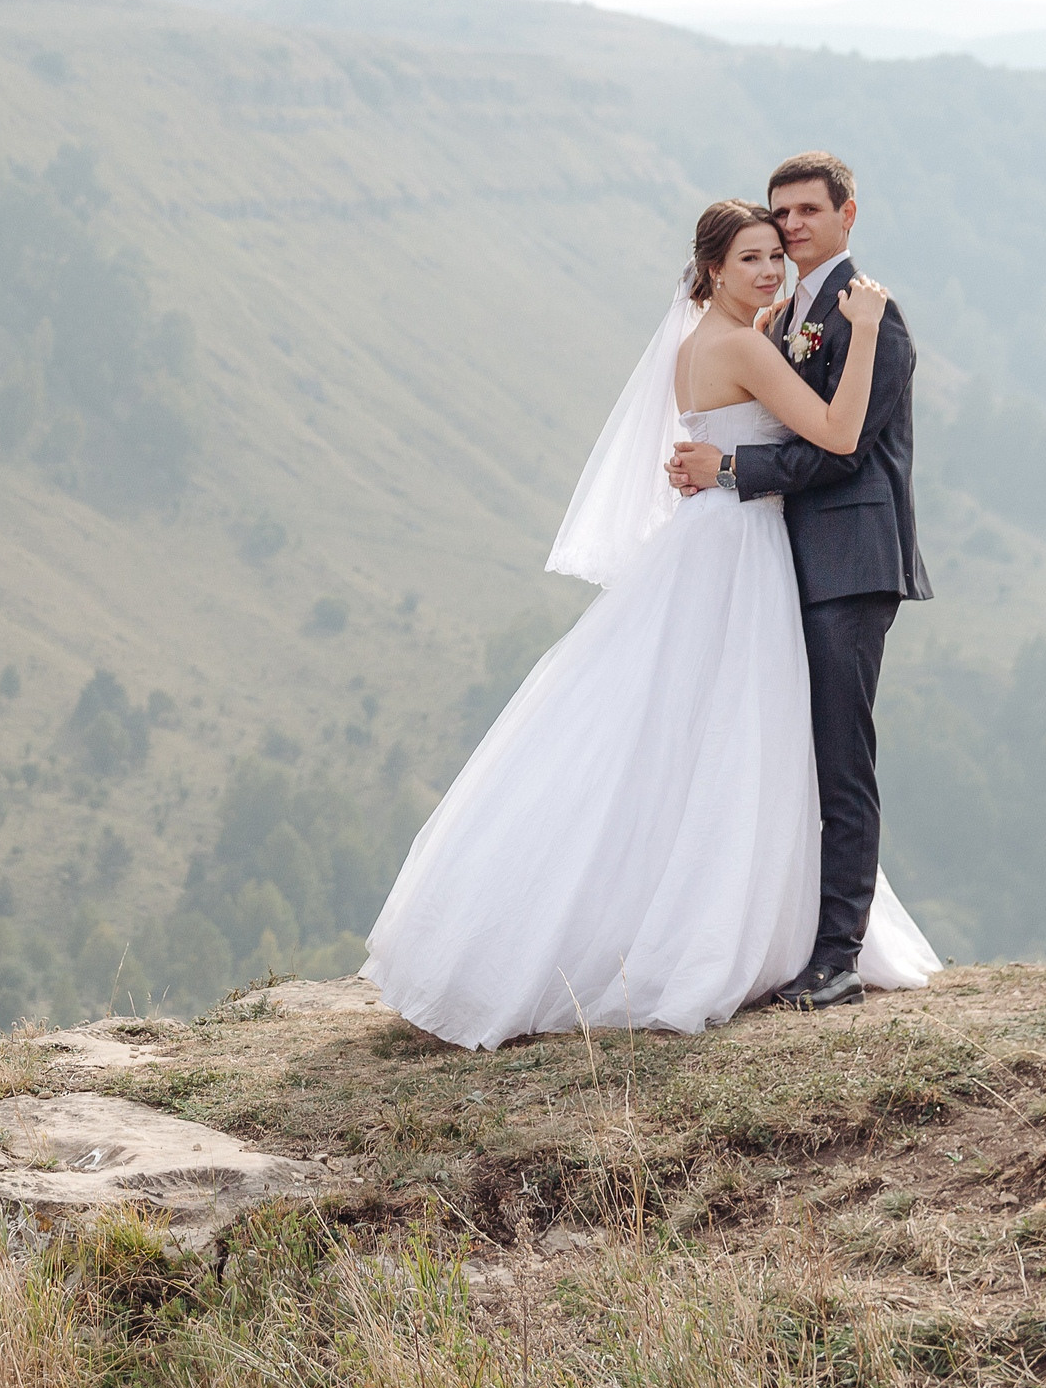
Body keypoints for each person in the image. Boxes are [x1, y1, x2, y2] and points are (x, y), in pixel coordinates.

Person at [361, 193, 937, 1050]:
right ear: (712, 269)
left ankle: (709, 922)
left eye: (776, 255)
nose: (771, 270)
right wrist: (862, 329)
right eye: (752, 258)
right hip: (740, 549)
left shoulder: (700, 341)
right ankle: (736, 933)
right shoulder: (742, 341)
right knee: (738, 737)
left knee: (687, 738)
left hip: (716, 540)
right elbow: (839, 430)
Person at [667, 152, 934, 1009]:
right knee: (795, 753)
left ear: (848, 213)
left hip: (852, 563)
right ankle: (793, 936)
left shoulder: (873, 321)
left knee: (841, 758)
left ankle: (839, 956)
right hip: (789, 564)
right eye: (781, 214)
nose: (791, 228)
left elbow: (839, 446)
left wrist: (728, 468)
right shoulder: (784, 318)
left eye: (808, 211)